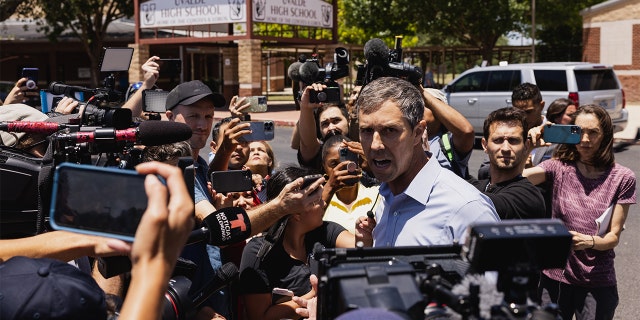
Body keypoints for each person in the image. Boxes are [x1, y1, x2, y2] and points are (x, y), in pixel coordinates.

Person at [355, 77, 499, 246]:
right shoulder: (386, 198)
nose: (375, 145)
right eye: (366, 131)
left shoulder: (467, 208)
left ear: (418, 133)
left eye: (390, 130)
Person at [523, 105, 636, 320]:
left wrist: (589, 241)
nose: (585, 139)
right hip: (554, 276)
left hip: (596, 280)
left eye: (593, 132)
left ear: (605, 135)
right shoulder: (559, 167)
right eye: (579, 131)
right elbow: (517, 180)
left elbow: (613, 238)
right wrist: (530, 147)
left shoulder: (623, 177)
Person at [237, 166, 369, 320]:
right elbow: (259, 317)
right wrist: (314, 296)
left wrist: (364, 236)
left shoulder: (325, 231)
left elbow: (359, 248)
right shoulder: (258, 253)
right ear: (296, 213)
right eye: (317, 201)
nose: (324, 204)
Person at [468, 107, 546, 220]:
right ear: (485, 145)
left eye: (513, 140)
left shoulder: (528, 197)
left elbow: (480, 204)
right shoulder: (477, 186)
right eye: (498, 140)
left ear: (526, 146)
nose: (505, 148)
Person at [478, 82, 545, 179]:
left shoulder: (553, 135)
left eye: (528, 111)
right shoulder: (504, 131)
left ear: (541, 106)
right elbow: (483, 172)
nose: (524, 116)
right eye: (519, 111)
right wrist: (512, 165)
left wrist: (531, 169)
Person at [321, 134, 379, 233]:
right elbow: (306, 225)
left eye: (348, 161)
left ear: (358, 162)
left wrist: (373, 161)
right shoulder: (318, 200)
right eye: (334, 164)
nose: (342, 168)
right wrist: (330, 187)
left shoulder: (378, 194)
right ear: (324, 167)